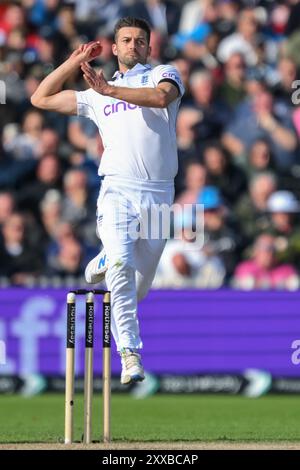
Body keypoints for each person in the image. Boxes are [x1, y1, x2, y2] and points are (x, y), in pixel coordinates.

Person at [31, 17, 184, 385]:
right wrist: (72, 62)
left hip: (160, 195)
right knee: (120, 264)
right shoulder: (98, 92)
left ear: (149, 46)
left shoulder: (163, 73)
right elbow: (40, 98)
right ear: (114, 48)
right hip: (117, 188)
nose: (133, 46)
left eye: (140, 41)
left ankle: (103, 257)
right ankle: (130, 353)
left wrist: (111, 92)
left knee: (137, 287)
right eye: (126, 40)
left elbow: (162, 97)